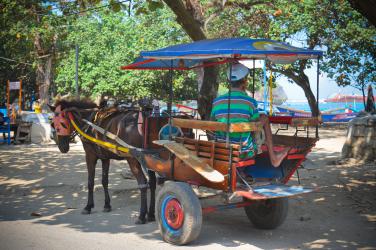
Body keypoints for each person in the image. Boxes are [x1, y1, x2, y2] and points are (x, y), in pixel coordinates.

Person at [211, 63, 290, 167]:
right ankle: (274, 158)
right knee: (264, 118)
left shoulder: (217, 102)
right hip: (243, 151)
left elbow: (211, 125)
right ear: (245, 81)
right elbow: (255, 126)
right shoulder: (250, 102)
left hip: (220, 149)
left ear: (228, 81)